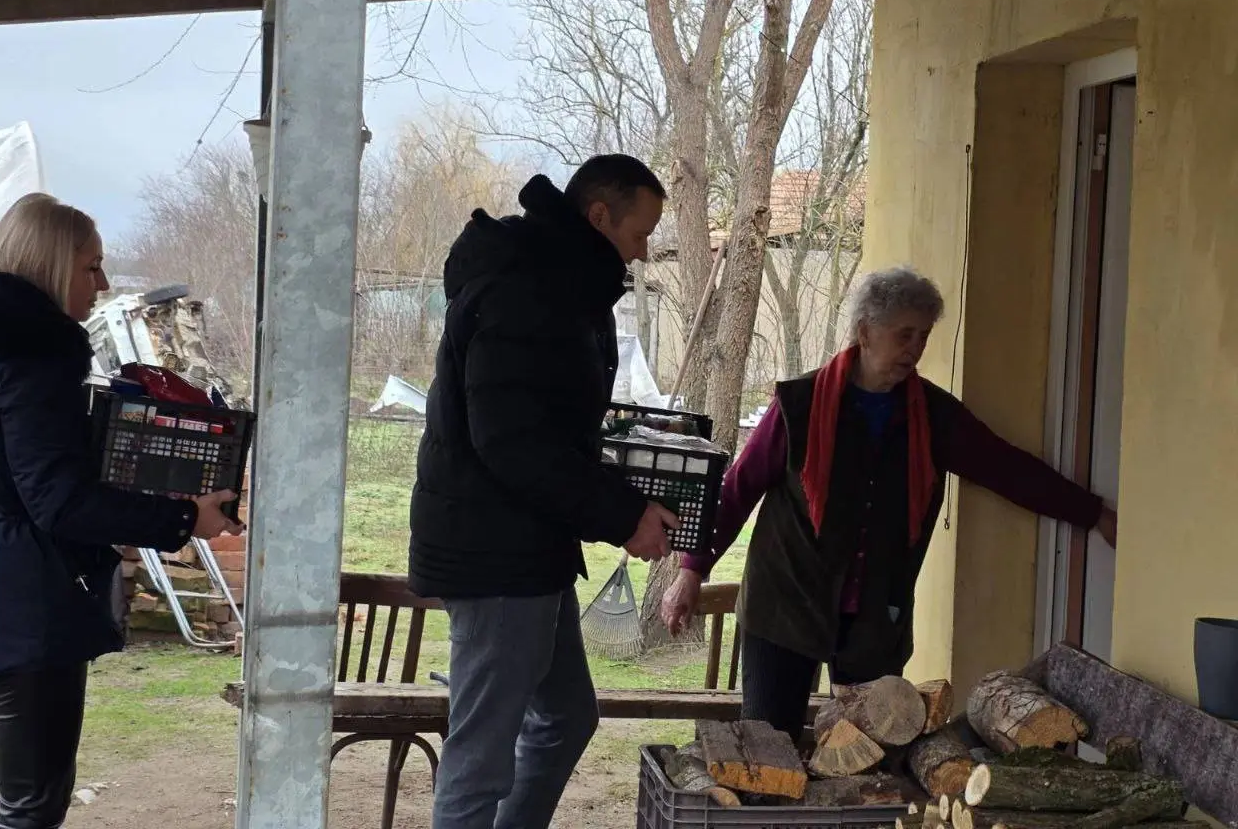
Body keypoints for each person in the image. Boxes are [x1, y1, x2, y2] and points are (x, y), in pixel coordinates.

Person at [660, 266, 1117, 744]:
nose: (915, 349)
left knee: (871, 755)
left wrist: (1092, 513)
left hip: (878, 616)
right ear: (865, 332)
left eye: (923, 337)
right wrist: (691, 570)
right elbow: (737, 490)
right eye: (904, 335)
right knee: (768, 747)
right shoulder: (799, 405)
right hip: (785, 602)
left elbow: (1006, 468)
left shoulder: (934, 416)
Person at [410, 155, 679, 829]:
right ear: (599, 216)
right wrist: (623, 514)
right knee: (479, 761)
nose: (644, 252)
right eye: (640, 234)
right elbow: (513, 442)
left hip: (531, 547)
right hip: (495, 554)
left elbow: (549, 426)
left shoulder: (563, 285)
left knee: (565, 715)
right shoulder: (527, 289)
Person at [0, 193, 241, 829]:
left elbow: (11, 476)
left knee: (26, 800)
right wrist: (183, 519)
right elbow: (58, 498)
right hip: (26, 600)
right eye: (91, 266)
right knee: (32, 807)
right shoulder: (36, 355)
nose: (104, 283)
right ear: (52, 264)